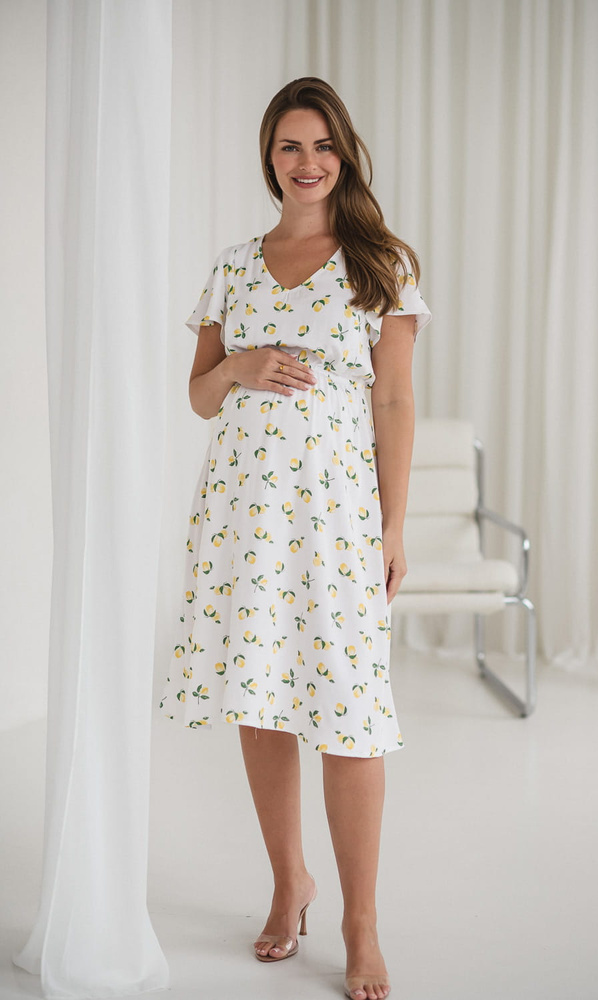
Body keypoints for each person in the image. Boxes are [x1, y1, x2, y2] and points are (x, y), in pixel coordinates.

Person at [158, 77, 432, 1000]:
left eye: (321, 146)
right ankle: (288, 883)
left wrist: (392, 527)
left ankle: (360, 921)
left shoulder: (379, 263)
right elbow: (200, 397)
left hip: (337, 518)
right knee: (260, 699)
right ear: (268, 158)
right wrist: (237, 363)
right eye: (289, 146)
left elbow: (393, 403)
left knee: (349, 713)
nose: (306, 162)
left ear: (343, 155)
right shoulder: (234, 266)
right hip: (243, 517)